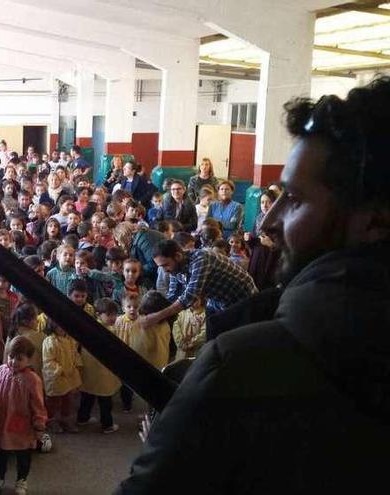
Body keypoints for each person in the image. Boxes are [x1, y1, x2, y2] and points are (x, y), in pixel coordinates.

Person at [117, 77, 390, 493]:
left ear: (373, 221)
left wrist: (179, 436)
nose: (267, 221)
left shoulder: (239, 367)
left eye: (295, 200)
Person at [140, 239, 256, 331]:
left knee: (234, 338)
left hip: (242, 298)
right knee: (213, 333)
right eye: (161, 267)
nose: (164, 270)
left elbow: (189, 297)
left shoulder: (201, 258)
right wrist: (153, 311)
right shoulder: (175, 268)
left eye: (165, 265)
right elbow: (173, 294)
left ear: (178, 256)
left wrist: (157, 317)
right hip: (217, 300)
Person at [0, 336, 47, 495]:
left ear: (29, 360)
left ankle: (22, 480)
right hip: (2, 421)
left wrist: (39, 425)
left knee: (23, 454)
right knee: (1, 452)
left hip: (22, 425)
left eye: (19, 359)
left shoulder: (32, 379)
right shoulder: (1, 370)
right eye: (11, 357)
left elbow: (38, 404)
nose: (13, 361)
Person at [73, 287, 122, 433]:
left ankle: (82, 419)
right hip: (103, 374)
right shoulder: (111, 331)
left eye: (115, 314)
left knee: (87, 396)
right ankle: (107, 425)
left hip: (89, 372)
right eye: (109, 315)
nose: (113, 317)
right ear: (99, 315)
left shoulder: (89, 327)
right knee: (105, 401)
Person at [42, 319, 82, 433]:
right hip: (56, 378)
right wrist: (60, 370)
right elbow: (48, 361)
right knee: (54, 402)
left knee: (68, 400)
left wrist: (78, 365)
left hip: (69, 376)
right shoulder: (49, 341)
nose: (63, 329)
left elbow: (75, 354)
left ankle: (66, 420)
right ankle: (52, 422)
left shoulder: (70, 340)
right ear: (53, 327)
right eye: (59, 326)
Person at [244, 189, 281, 289]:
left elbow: (285, 248)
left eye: (269, 202)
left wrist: (271, 244)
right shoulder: (259, 218)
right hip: (257, 257)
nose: (265, 205)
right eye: (262, 202)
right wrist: (248, 239)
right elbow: (254, 242)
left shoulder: (280, 220)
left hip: (270, 261)